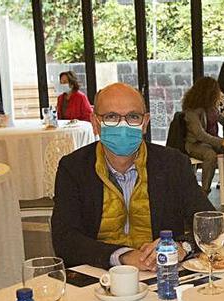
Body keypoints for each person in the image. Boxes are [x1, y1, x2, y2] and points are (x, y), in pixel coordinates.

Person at [51, 83, 214, 270]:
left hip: (162, 277)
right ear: (95, 123)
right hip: (99, 277)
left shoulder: (173, 164)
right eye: (111, 117)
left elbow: (210, 224)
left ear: (145, 123)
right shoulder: (74, 168)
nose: (123, 125)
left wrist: (182, 247)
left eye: (133, 117)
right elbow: (65, 239)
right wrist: (123, 256)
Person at [183, 77, 224, 197]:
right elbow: (200, 135)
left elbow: (221, 119)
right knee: (210, 155)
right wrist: (222, 142)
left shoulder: (211, 106)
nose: (219, 93)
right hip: (195, 144)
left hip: (211, 142)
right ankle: (204, 192)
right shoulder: (191, 111)